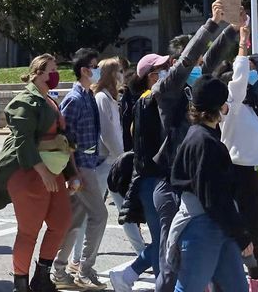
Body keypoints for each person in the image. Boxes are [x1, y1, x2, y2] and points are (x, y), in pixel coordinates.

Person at [150, 0, 239, 292]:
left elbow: (210, 58)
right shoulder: (166, 90)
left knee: (205, 269)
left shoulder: (195, 88)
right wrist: (211, 24)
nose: (202, 66)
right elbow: (190, 61)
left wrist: (233, 29)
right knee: (171, 260)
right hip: (176, 186)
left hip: (199, 181)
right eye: (194, 62)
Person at [0, 54, 77, 292]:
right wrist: (42, 171)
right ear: (37, 73)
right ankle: (20, 284)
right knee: (29, 231)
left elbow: (63, 141)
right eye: (52, 70)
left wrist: (72, 174)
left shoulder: (50, 101)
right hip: (28, 171)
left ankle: (42, 277)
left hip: (53, 170)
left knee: (61, 222)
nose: (56, 75)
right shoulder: (25, 100)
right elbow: (23, 141)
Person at [167, 76, 251, 292]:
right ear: (219, 107)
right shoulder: (205, 141)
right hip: (204, 226)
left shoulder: (199, 136)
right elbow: (213, 196)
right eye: (226, 101)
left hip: (213, 224)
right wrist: (241, 234)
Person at [218, 16, 258, 292]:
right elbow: (240, 76)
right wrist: (242, 43)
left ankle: (255, 279)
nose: (250, 80)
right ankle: (240, 281)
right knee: (246, 231)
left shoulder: (247, 106)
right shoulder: (229, 108)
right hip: (240, 175)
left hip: (257, 175)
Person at [109, 53, 171, 292]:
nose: (166, 71)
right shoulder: (148, 101)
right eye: (161, 69)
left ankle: (128, 274)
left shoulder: (155, 100)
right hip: (152, 180)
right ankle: (153, 282)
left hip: (155, 179)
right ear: (149, 77)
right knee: (163, 240)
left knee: (164, 240)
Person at [50, 49, 109, 290]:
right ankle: (84, 270)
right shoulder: (74, 99)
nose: (97, 71)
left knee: (75, 221)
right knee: (100, 215)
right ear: (84, 70)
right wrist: (72, 174)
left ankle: (59, 269)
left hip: (87, 165)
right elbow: (64, 138)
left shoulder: (87, 95)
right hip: (81, 168)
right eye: (94, 66)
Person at [93, 57, 146, 256]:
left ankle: (142, 251)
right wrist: (122, 156)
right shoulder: (102, 99)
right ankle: (76, 257)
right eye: (120, 72)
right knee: (89, 212)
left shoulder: (111, 98)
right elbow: (106, 134)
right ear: (111, 75)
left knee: (125, 208)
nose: (124, 76)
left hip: (112, 162)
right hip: (106, 163)